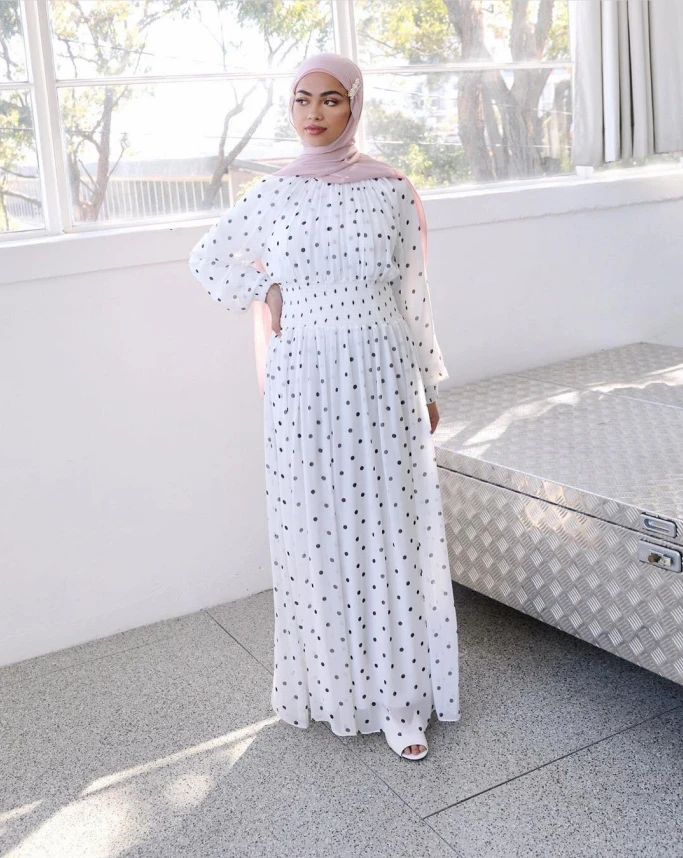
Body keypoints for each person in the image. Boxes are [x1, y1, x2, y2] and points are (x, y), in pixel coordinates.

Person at [189, 52, 459, 761]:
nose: (313, 113)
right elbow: (207, 258)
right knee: (317, 527)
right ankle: (332, 686)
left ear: (355, 105)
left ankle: (401, 701)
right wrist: (266, 289)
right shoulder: (273, 194)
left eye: (331, 99)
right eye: (302, 99)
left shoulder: (391, 190)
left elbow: (413, 293)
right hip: (304, 380)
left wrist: (428, 385)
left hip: (383, 373)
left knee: (389, 528)